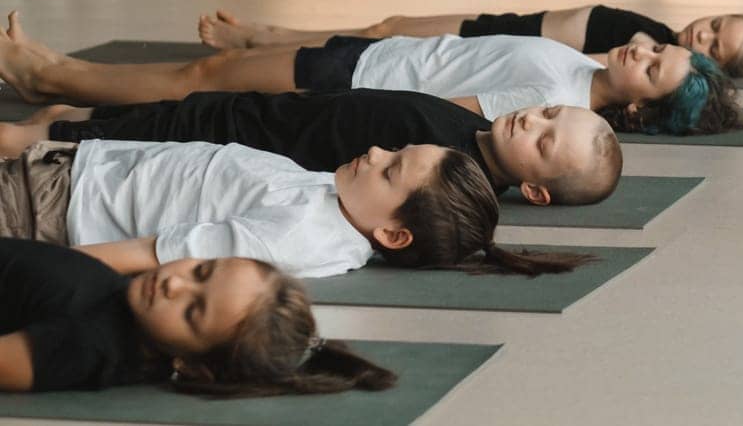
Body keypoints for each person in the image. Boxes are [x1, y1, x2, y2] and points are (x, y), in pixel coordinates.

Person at [0, 15, 743, 138]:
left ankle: (49, 74)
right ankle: (53, 80)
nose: (641, 53)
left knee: (203, 78)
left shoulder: (554, 98)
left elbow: (434, 106)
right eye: (656, 50)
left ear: (643, 111)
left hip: (352, 78)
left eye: (653, 70)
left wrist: (328, 96)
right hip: (370, 54)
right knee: (211, 70)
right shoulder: (584, 65)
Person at [0, 134, 593, 279]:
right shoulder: (341, 200)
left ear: (392, 234)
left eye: (390, 169)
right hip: (68, 168)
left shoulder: (294, 237)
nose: (375, 150)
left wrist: (24, 274)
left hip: (45, 207)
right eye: (394, 150)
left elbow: (144, 254)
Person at [0, 87, 623, 207]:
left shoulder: (441, 167)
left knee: (131, 128)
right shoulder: (473, 131)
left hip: (232, 137)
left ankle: (34, 135)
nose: (529, 124)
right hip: (256, 111)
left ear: (535, 190)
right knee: (148, 109)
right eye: (547, 113)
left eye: (544, 143)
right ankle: (61, 117)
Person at [0, 238, 395, 394]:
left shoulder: (89, 347)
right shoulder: (126, 311)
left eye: (192, 311)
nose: (176, 284)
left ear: (192, 366)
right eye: (201, 271)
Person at [198, 3, 743, 79]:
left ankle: (263, 40)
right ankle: (268, 36)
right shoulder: (647, 30)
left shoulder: (645, 50)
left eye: (714, 46)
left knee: (380, 36)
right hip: (496, 30)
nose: (701, 33)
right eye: (714, 24)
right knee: (384, 27)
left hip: (486, 51)